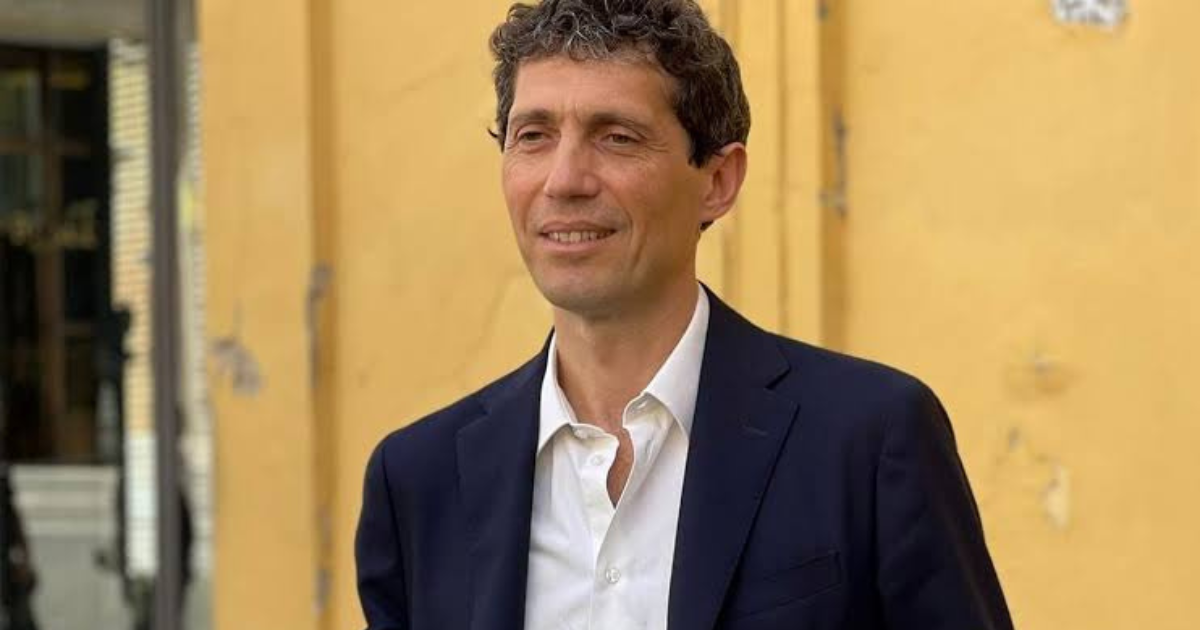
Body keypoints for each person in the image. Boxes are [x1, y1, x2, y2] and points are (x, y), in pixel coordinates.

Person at [355, 1, 1014, 629]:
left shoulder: (870, 438)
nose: (564, 180)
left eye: (617, 137)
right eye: (533, 136)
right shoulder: (418, 480)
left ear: (719, 181)